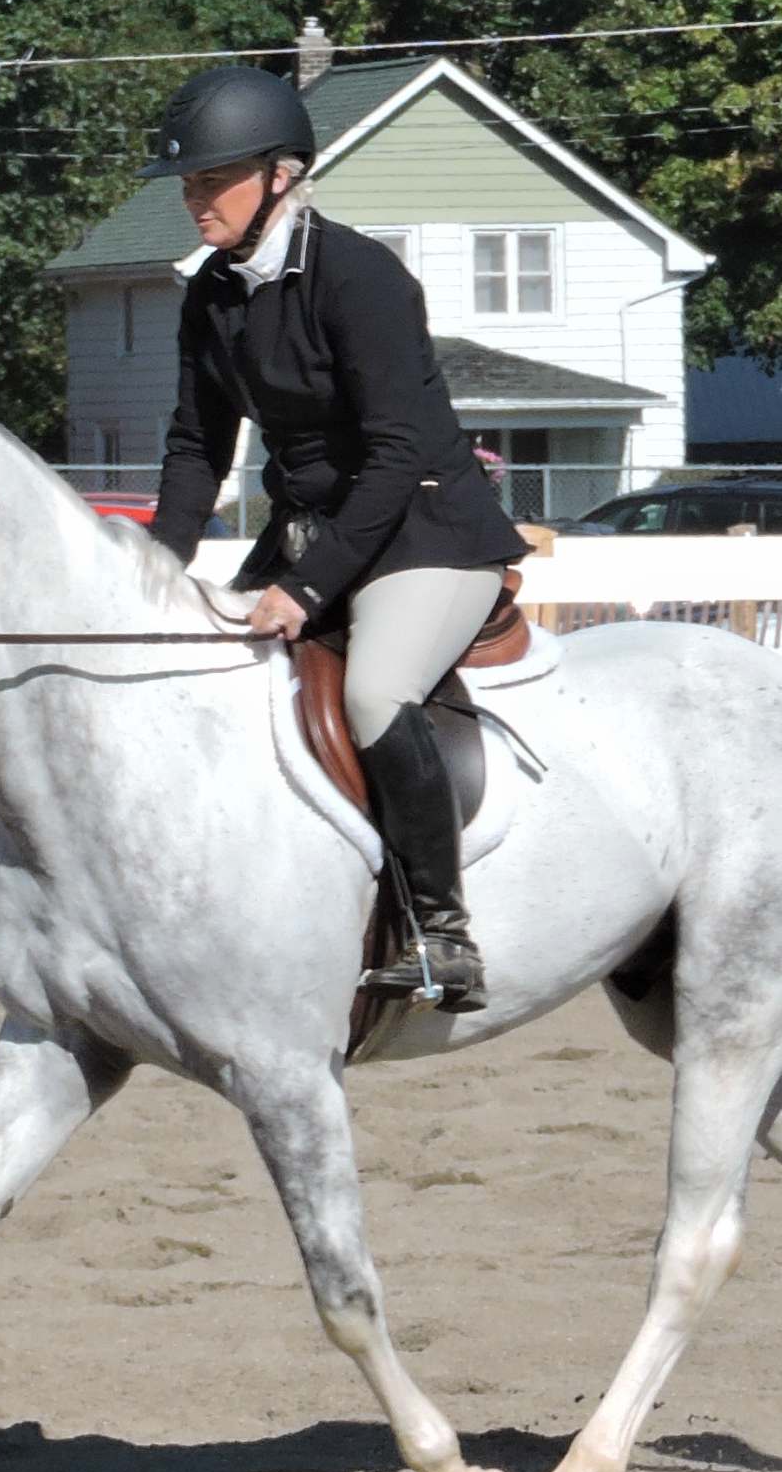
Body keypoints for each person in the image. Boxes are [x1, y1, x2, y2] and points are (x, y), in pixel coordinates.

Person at [139, 63, 528, 1012]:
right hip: (316, 531)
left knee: (373, 691)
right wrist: (153, 566)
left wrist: (307, 591)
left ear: (280, 175)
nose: (194, 201)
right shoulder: (213, 295)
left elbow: (395, 456)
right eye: (189, 184)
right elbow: (198, 444)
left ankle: (443, 933)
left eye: (209, 180)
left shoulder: (360, 278)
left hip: (425, 528)